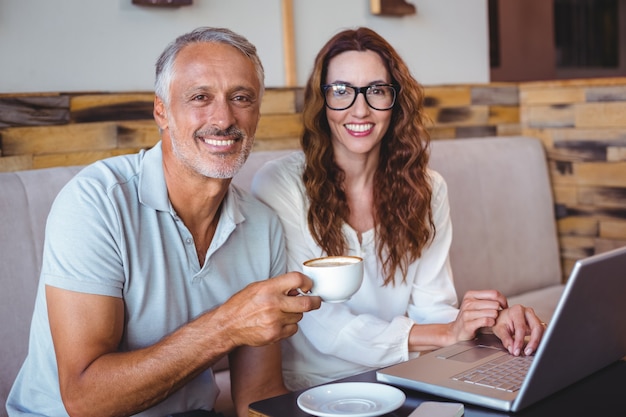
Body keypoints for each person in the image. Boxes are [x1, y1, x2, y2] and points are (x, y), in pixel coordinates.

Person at [6, 27, 321, 417]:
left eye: (241, 98)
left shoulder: (263, 226)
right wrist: (226, 326)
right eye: (200, 97)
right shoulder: (96, 202)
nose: (223, 118)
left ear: (256, 112)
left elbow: (257, 396)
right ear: (161, 111)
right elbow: (84, 398)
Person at [251, 27, 546, 391]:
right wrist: (446, 333)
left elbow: (433, 308)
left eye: (376, 90)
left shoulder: (427, 188)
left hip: (405, 378)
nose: (360, 109)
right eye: (341, 91)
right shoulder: (280, 185)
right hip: (316, 389)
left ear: (395, 100)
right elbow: (321, 323)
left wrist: (487, 323)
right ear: (322, 101)